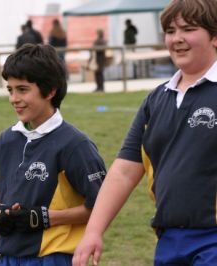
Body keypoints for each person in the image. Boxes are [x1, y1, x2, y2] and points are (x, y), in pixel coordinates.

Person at [73, 0, 217, 265]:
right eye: (170, 31)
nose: (178, 39)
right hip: (168, 239)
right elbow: (125, 171)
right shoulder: (155, 100)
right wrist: (93, 230)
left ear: (215, 36)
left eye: (188, 29)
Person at [0, 44, 106, 266]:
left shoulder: (75, 145)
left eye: (22, 89)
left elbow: (101, 206)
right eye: (10, 90)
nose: (14, 98)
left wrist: (45, 218)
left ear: (50, 91)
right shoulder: (5, 141)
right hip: (8, 257)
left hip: (54, 257)